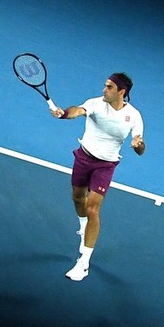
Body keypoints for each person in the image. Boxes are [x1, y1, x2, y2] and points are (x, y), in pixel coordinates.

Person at [50, 71, 144, 281]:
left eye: (109, 87)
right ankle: (83, 226)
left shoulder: (134, 116)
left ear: (122, 91)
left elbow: (140, 146)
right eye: (105, 85)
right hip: (84, 158)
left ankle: (83, 262)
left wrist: (138, 145)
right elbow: (78, 111)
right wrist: (64, 113)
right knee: (77, 197)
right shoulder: (95, 103)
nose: (104, 90)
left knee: (93, 208)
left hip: (106, 166)